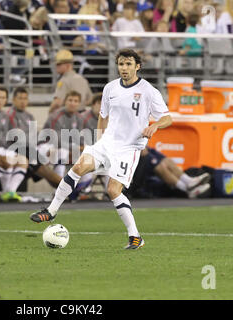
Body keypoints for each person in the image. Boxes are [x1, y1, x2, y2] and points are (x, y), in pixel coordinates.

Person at [30, 48, 173, 250]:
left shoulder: (149, 91)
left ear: (137, 66)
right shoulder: (110, 88)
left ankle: (135, 237)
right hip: (107, 143)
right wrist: (98, 141)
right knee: (78, 168)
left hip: (129, 147)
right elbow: (103, 116)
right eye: (121, 64)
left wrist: (155, 125)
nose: (124, 68)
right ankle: (51, 211)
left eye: (128, 64)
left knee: (113, 191)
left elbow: (168, 118)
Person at [132, 147, 211, 199]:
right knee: (156, 164)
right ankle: (187, 189)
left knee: (165, 160)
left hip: (141, 153)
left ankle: (189, 181)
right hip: (134, 163)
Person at [41, 90, 84, 177]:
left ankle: (81, 188)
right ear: (65, 102)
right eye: (70, 100)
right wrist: (75, 147)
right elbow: (56, 140)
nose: (72, 103)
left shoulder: (79, 118)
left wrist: (82, 147)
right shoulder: (55, 116)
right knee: (63, 152)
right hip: (46, 145)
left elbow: (80, 140)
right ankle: (58, 185)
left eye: (75, 101)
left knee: (86, 157)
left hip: (66, 147)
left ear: (79, 104)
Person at [50, 49, 93, 114]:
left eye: (59, 64)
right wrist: (79, 105)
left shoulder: (63, 81)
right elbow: (90, 99)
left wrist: (50, 112)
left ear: (68, 65)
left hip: (68, 115)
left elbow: (58, 102)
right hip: (82, 115)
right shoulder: (83, 79)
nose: (56, 66)